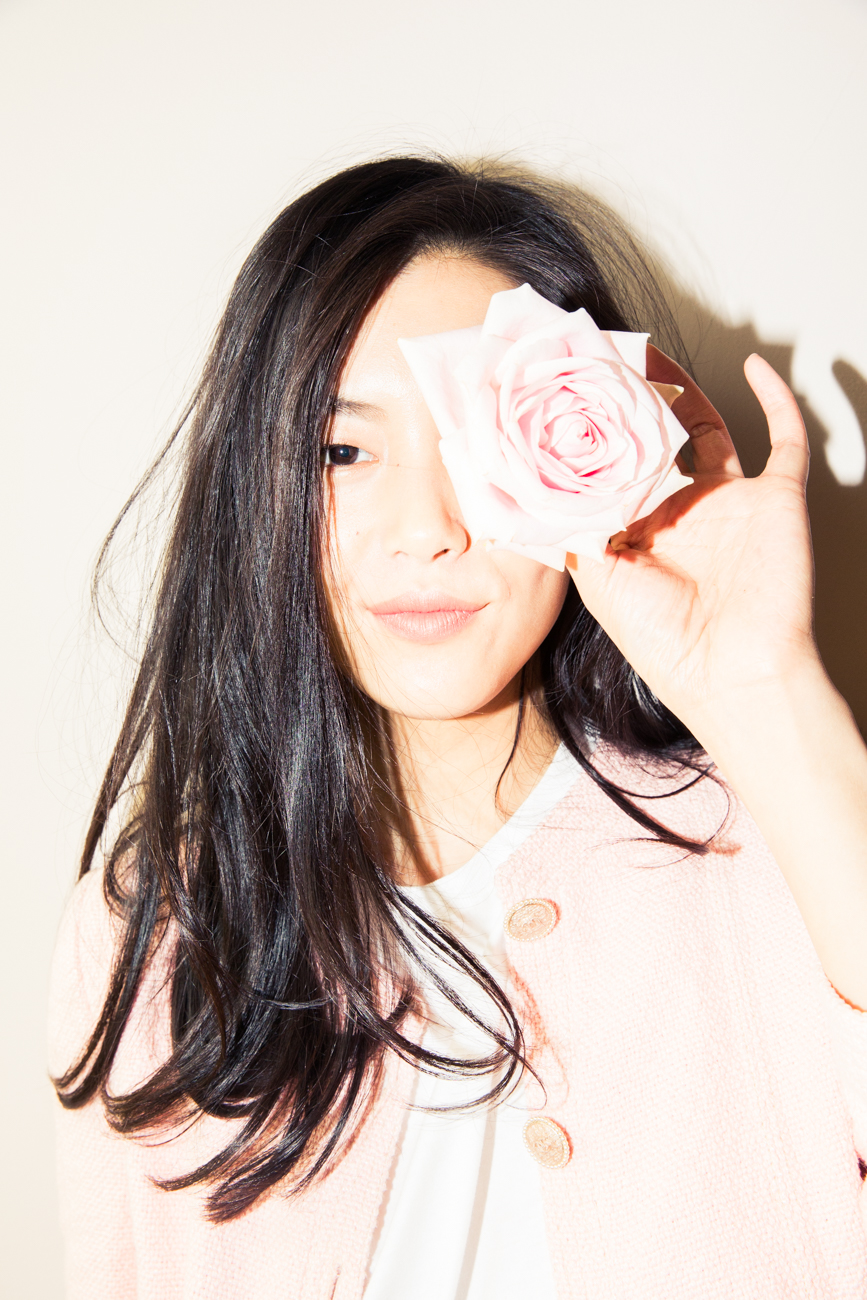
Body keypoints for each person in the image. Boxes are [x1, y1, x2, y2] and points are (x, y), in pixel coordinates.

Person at [48, 155, 867, 1299]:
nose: (425, 529)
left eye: (478, 445)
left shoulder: (776, 841)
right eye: (341, 452)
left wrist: (764, 687)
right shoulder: (163, 922)